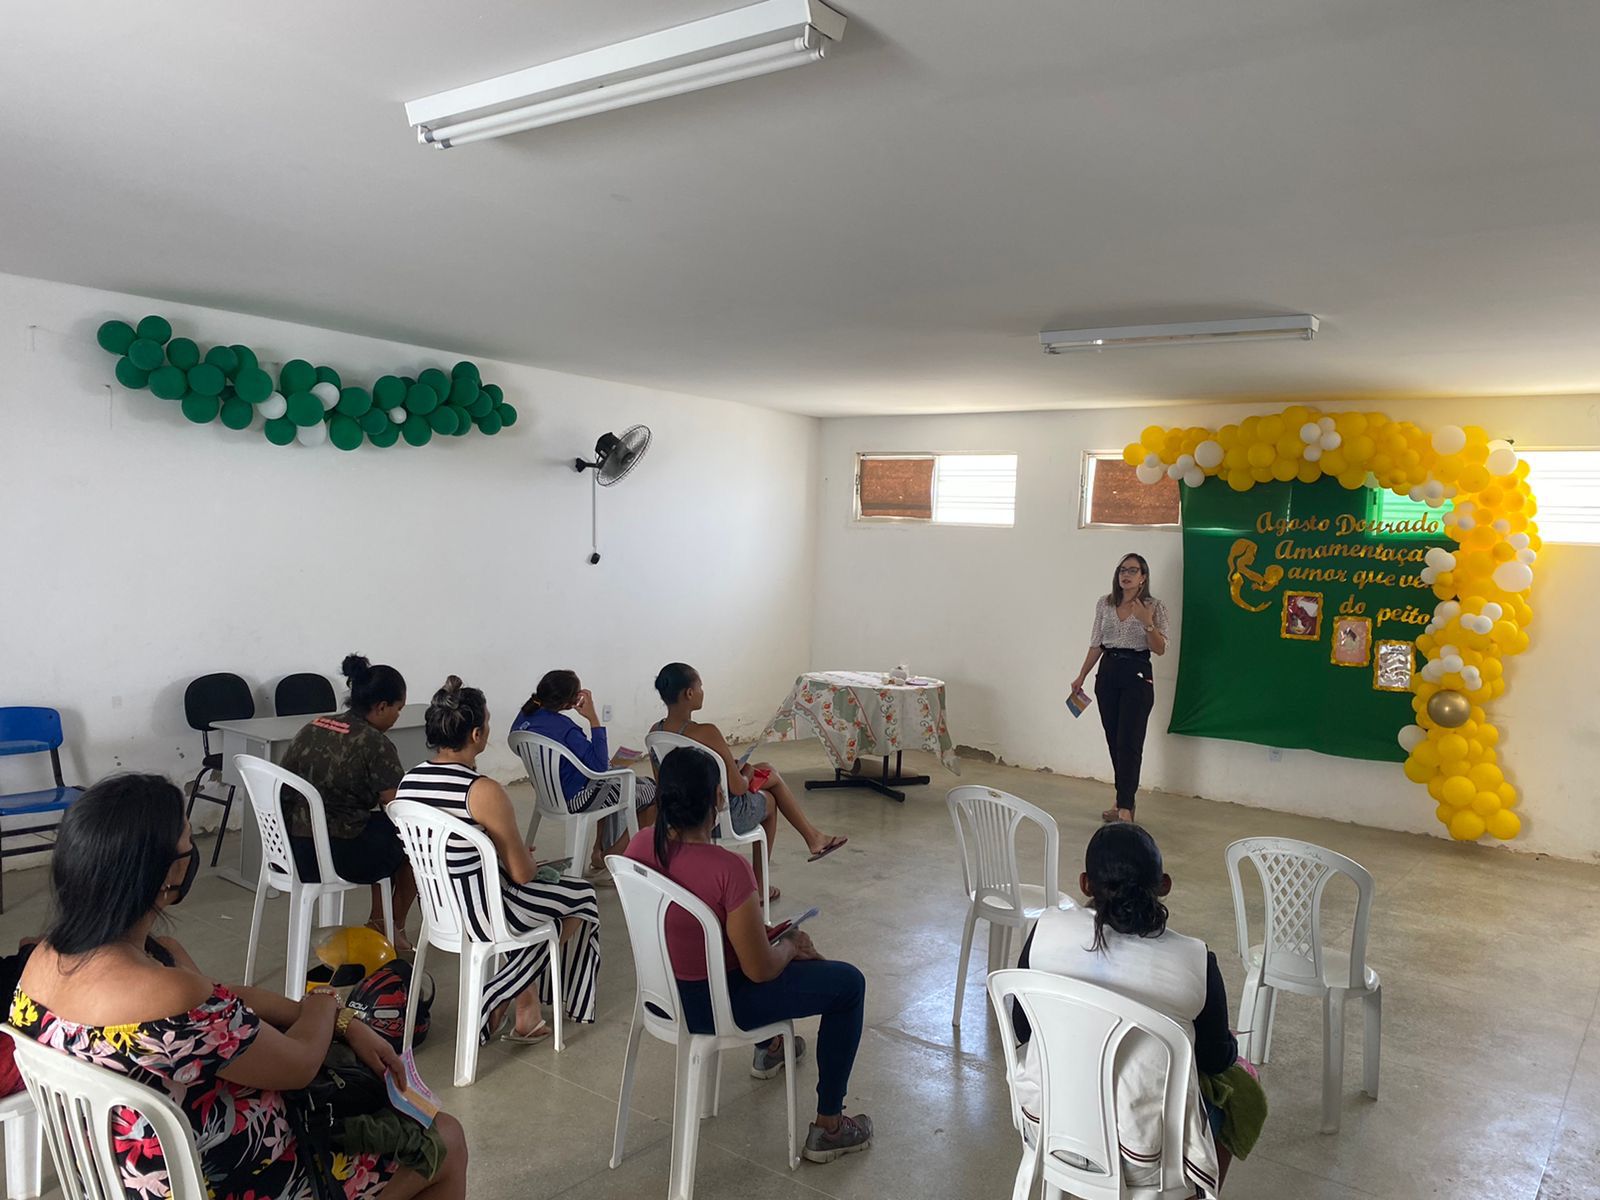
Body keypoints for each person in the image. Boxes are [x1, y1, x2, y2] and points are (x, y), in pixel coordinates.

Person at [11, 773, 468, 1200]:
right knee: (445, 1138)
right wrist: (326, 1007)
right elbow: (299, 1065)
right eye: (188, 845)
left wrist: (347, 1023)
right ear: (165, 874)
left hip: (126, 1174)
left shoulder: (44, 962)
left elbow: (222, 996)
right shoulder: (167, 994)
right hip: (230, 1178)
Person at [624, 747, 872, 1164]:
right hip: (719, 1008)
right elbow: (759, 970)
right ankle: (829, 1126)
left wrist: (771, 936)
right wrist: (791, 946)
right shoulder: (729, 869)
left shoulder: (639, 846)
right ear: (718, 800)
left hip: (664, 999)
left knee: (774, 948)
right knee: (848, 984)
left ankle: (774, 1045)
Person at [1013, 823, 1267, 1195]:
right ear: (1164, 885)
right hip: (1147, 1159)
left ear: (1085, 884)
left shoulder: (1045, 934)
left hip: (1048, 1127)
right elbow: (1215, 1060)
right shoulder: (1195, 960)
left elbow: (1022, 1027)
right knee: (1242, 1090)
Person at [395, 676, 602, 1045]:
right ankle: (499, 996)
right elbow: (522, 875)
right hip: (487, 912)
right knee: (581, 896)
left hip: (439, 908)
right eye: (487, 723)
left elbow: (451, 846)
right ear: (476, 734)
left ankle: (529, 1012)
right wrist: (522, 857)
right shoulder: (482, 790)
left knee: (542, 909)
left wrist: (497, 851)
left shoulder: (409, 782)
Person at [652, 662, 847, 903]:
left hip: (679, 818)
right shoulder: (707, 732)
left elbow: (662, 784)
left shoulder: (655, 733)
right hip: (716, 817)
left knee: (768, 771)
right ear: (689, 693)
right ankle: (768, 878)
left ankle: (813, 838)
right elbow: (738, 788)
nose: (703, 691)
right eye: (700, 686)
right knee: (770, 800)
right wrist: (743, 771)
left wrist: (730, 768)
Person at [279, 654, 416, 946]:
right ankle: (389, 926)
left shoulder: (315, 725)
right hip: (332, 855)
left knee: (382, 832)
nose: (397, 716)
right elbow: (397, 809)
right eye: (398, 709)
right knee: (415, 843)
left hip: (289, 847)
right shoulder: (375, 743)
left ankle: (382, 922)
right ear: (381, 707)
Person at [509, 669, 657, 875]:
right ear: (569, 703)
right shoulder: (566, 728)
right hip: (577, 797)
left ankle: (599, 850)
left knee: (616, 782)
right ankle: (612, 855)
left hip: (549, 793)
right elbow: (599, 766)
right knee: (653, 793)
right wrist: (593, 718)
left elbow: (516, 746)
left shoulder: (525, 715)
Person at [1070, 553, 1170, 822]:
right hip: (1108, 672)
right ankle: (1122, 799)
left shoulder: (1154, 606)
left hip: (1137, 673)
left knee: (1130, 741)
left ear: (1143, 577)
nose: (1126, 575)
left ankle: (1125, 808)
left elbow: (1160, 648)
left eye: (1133, 570)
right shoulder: (1105, 604)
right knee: (1114, 740)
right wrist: (1082, 675)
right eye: (1122, 569)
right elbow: (1096, 643)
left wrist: (1146, 621)